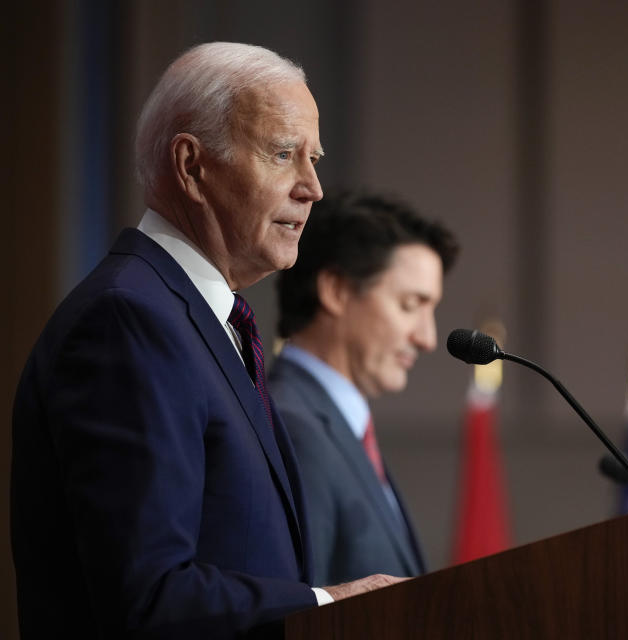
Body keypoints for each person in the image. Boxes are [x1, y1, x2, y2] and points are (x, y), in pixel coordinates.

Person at [10, 42, 400, 639]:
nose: (313, 188)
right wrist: (328, 604)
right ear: (192, 166)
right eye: (282, 154)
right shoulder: (127, 322)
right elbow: (147, 595)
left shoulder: (202, 319)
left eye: (314, 158)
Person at [269, 189, 459, 585]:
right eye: (410, 305)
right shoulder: (292, 428)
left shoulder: (336, 425)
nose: (427, 338)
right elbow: (300, 609)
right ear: (336, 290)